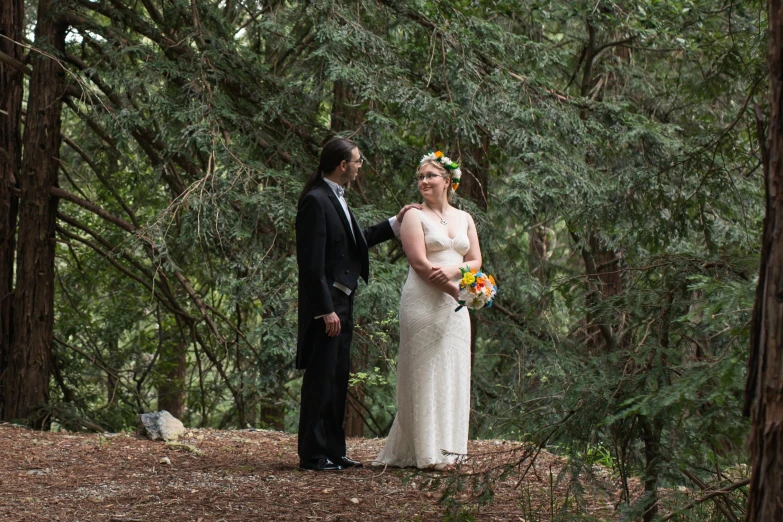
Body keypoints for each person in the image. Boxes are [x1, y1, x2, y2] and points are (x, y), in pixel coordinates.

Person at [296, 137, 420, 472]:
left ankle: (334, 453)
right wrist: (325, 310)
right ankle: (312, 456)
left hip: (343, 301)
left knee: (337, 379)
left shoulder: (335, 197)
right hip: (328, 307)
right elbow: (310, 265)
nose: (360, 165)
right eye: (357, 160)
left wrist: (395, 223)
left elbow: (354, 242)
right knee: (320, 380)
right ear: (342, 165)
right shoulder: (315, 200)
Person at [375, 151, 482, 470]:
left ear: (448, 182)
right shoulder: (413, 216)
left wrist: (457, 278)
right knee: (424, 369)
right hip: (423, 299)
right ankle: (426, 452)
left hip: (456, 300)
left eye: (430, 176)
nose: (423, 181)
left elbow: (475, 260)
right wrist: (454, 291)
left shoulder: (465, 218)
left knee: (453, 368)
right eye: (420, 177)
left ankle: (451, 450)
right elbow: (420, 263)